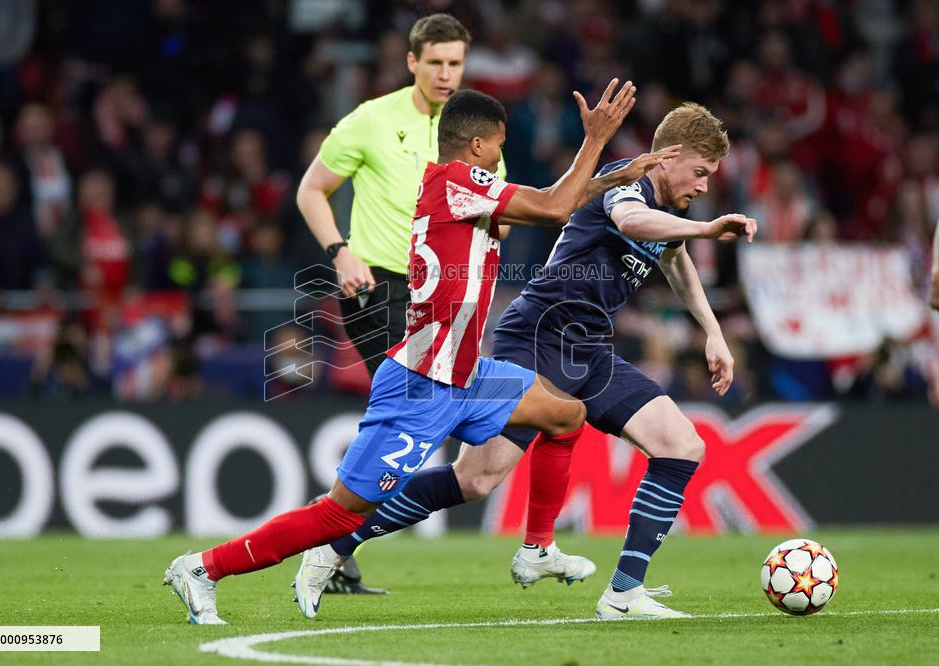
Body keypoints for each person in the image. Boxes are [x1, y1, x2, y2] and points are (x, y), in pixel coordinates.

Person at [164, 79, 657, 624]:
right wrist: (596, 141)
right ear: (476, 146)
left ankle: (537, 550)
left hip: (466, 372)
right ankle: (202, 568)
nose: (501, 156)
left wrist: (612, 178)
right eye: (498, 145)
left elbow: (550, 205)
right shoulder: (459, 182)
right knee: (337, 515)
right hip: (421, 383)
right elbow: (554, 207)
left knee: (565, 416)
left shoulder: (460, 190)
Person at [298, 102, 757, 621]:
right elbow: (633, 221)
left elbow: (674, 257)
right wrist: (704, 229)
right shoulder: (620, 185)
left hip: (587, 350)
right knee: (476, 480)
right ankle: (337, 540)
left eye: (710, 178)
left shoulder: (670, 213)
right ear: (667, 156)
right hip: (536, 338)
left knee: (682, 446)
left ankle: (624, 594)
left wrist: (713, 333)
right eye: (698, 172)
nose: (702, 187)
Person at [295, 13, 494, 594]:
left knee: (406, 422)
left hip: (443, 297)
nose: (445, 74)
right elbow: (311, 190)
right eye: (434, 62)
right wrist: (339, 251)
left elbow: (491, 212)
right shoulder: (370, 121)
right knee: (413, 414)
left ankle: (333, 530)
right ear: (412, 61)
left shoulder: (475, 131)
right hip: (376, 285)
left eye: (455, 63)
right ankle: (333, 534)